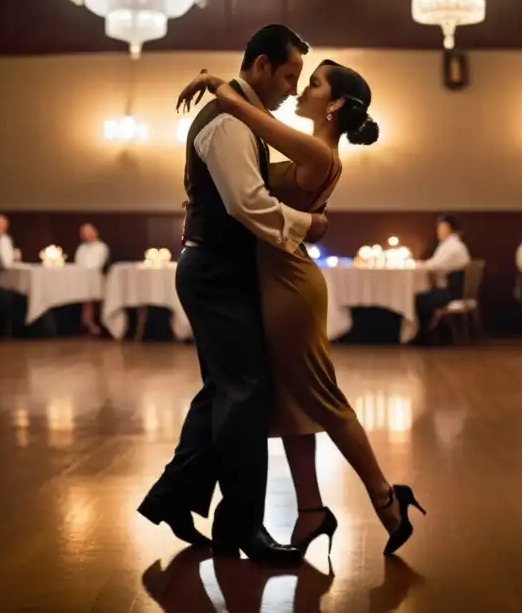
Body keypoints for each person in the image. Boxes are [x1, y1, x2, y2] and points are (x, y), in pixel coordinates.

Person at [175, 55, 425, 558]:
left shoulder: (317, 150)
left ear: (333, 104)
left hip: (289, 284)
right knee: (290, 401)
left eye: (311, 83)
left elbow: (247, 113)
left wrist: (214, 81)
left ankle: (385, 499)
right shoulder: (315, 147)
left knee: (321, 397)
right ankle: (310, 510)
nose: (299, 90)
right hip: (275, 276)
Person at [138, 25, 328, 566]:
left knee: (225, 390)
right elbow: (248, 203)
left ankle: (174, 496)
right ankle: (242, 525)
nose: (294, 89)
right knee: (247, 394)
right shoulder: (227, 122)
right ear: (262, 66)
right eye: (289, 75)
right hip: (216, 272)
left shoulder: (240, 113)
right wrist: (306, 225)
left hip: (218, 268)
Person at [413, 214, 471, 342]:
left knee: (419, 300)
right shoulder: (449, 245)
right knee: (422, 297)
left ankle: (424, 336)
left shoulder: (453, 247)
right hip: (451, 289)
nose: (439, 231)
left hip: (453, 292)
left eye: (441, 228)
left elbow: (435, 266)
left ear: (449, 228)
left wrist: (416, 264)